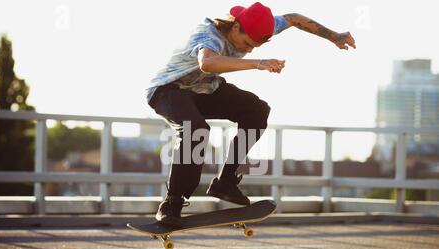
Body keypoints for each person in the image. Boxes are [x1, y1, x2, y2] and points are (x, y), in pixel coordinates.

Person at [145, 2, 356, 225]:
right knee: (195, 129)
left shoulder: (260, 25)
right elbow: (207, 63)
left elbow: (294, 18)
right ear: (235, 27)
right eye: (247, 43)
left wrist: (334, 36)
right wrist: (258, 63)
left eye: (254, 47)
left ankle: (226, 182)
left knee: (256, 110)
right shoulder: (208, 35)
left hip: (204, 90)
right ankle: (172, 203)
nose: (248, 50)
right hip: (167, 90)